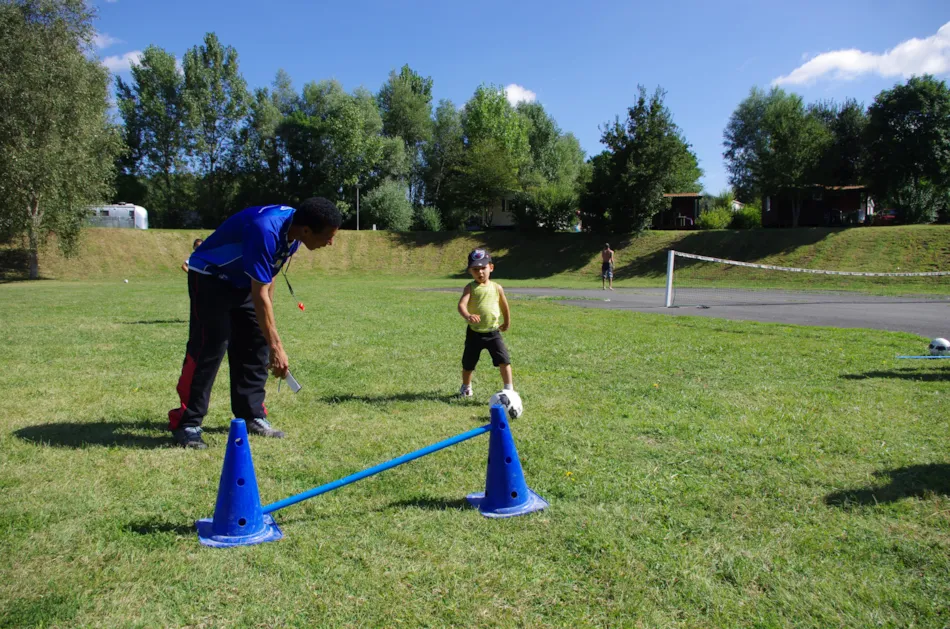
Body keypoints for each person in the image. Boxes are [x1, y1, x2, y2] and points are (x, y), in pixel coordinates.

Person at [168, 198, 342, 449]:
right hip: (210, 277)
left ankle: (251, 416)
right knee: (210, 346)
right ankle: (187, 423)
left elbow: (268, 278)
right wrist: (277, 346)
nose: (330, 242)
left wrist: (268, 333)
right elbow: (260, 292)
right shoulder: (266, 230)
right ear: (307, 230)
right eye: (328, 236)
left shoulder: (294, 234)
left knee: (255, 343)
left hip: (243, 282)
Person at [456, 248, 513, 398]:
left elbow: (504, 306)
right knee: (468, 363)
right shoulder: (470, 288)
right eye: (475, 269)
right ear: (470, 271)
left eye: (483, 268)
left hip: (493, 332)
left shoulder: (497, 287)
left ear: (491, 267)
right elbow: (461, 305)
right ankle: (466, 387)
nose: (480, 272)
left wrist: (507, 322)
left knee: (504, 360)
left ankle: (509, 389)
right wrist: (468, 315)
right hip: (474, 333)